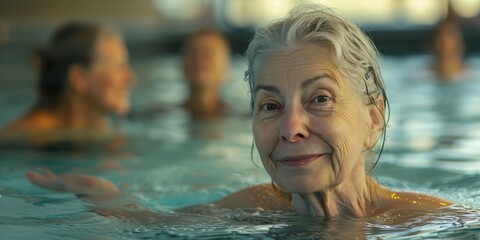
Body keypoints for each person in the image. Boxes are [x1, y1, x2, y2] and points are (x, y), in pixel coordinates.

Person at [26, 5, 452, 220]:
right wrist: (102, 194)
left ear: (373, 120)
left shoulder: (426, 221)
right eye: (270, 105)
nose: (289, 128)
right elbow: (155, 222)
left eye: (320, 98)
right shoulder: (256, 207)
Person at [0, 21, 135, 143]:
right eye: (118, 66)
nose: (130, 79)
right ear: (79, 77)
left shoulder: (101, 129)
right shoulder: (22, 138)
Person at [181, 29, 231, 119]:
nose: (199, 61)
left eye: (208, 53)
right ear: (183, 64)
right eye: (193, 53)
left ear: (225, 66)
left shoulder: (245, 118)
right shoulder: (159, 116)